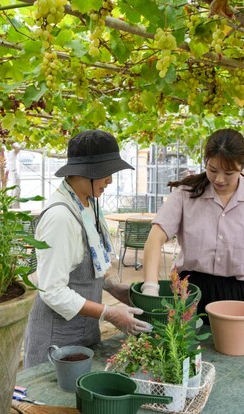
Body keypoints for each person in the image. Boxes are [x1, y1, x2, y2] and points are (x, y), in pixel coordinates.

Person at [23, 129, 152, 368]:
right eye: (106, 172)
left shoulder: (88, 204)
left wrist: (114, 288)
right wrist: (110, 313)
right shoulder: (60, 218)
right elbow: (52, 290)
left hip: (84, 330)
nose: (110, 180)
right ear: (86, 171)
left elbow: (89, 264)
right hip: (56, 338)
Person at [141, 128, 244, 323]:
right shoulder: (185, 195)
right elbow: (155, 239)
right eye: (212, 170)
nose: (219, 179)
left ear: (242, 166)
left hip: (237, 294)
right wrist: (150, 286)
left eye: (228, 173)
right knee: (184, 342)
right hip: (189, 291)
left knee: (236, 343)